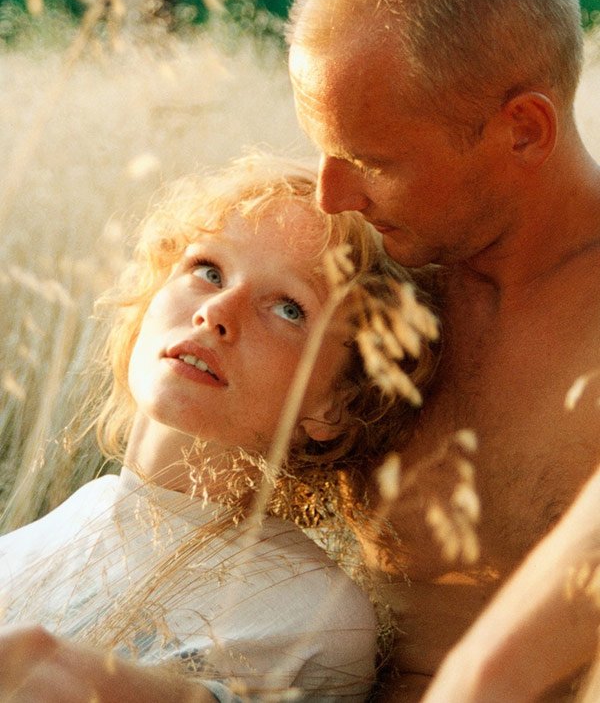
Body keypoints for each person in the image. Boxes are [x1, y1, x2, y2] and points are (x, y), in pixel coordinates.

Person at [287, 0, 600, 700]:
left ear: (524, 129)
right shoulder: (359, 279)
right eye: (323, 151)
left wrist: (479, 677)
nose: (331, 196)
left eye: (371, 161)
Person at [0, 151, 439, 703]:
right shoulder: (61, 524)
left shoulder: (313, 616)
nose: (217, 313)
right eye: (209, 272)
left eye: (288, 308)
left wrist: (41, 669)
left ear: (337, 403)